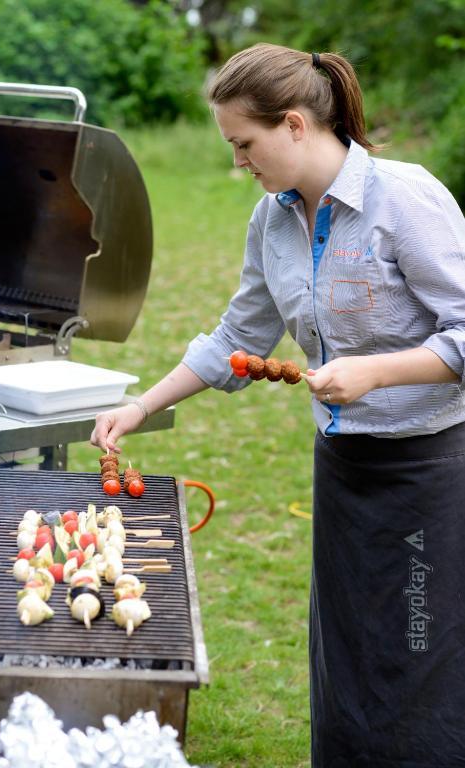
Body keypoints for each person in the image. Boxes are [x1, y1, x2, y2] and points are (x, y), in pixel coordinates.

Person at [91, 43, 465, 767]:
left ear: (294, 124)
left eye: (244, 143)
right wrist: (142, 406)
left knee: (418, 656)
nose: (239, 162)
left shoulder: (403, 198)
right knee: (347, 649)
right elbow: (237, 336)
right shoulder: (273, 218)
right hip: (344, 467)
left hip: (427, 474)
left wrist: (376, 374)